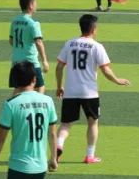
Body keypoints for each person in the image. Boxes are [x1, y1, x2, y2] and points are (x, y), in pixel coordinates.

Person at [55, 14, 131, 164]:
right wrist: (117, 80)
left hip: (71, 91)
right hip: (89, 92)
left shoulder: (69, 44)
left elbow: (59, 67)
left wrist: (59, 87)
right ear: (94, 29)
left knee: (66, 124)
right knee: (92, 122)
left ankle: (59, 144)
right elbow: (106, 70)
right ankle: (89, 156)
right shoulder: (97, 46)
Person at [9, 0, 49, 95]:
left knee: (19, 89)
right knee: (40, 86)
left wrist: (20, 48)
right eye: (35, 3)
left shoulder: (15, 21)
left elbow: (11, 41)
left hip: (16, 62)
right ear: (30, 5)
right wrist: (44, 61)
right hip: (30, 62)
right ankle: (37, 105)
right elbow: (38, 42)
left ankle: (12, 104)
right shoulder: (33, 23)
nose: (36, 5)